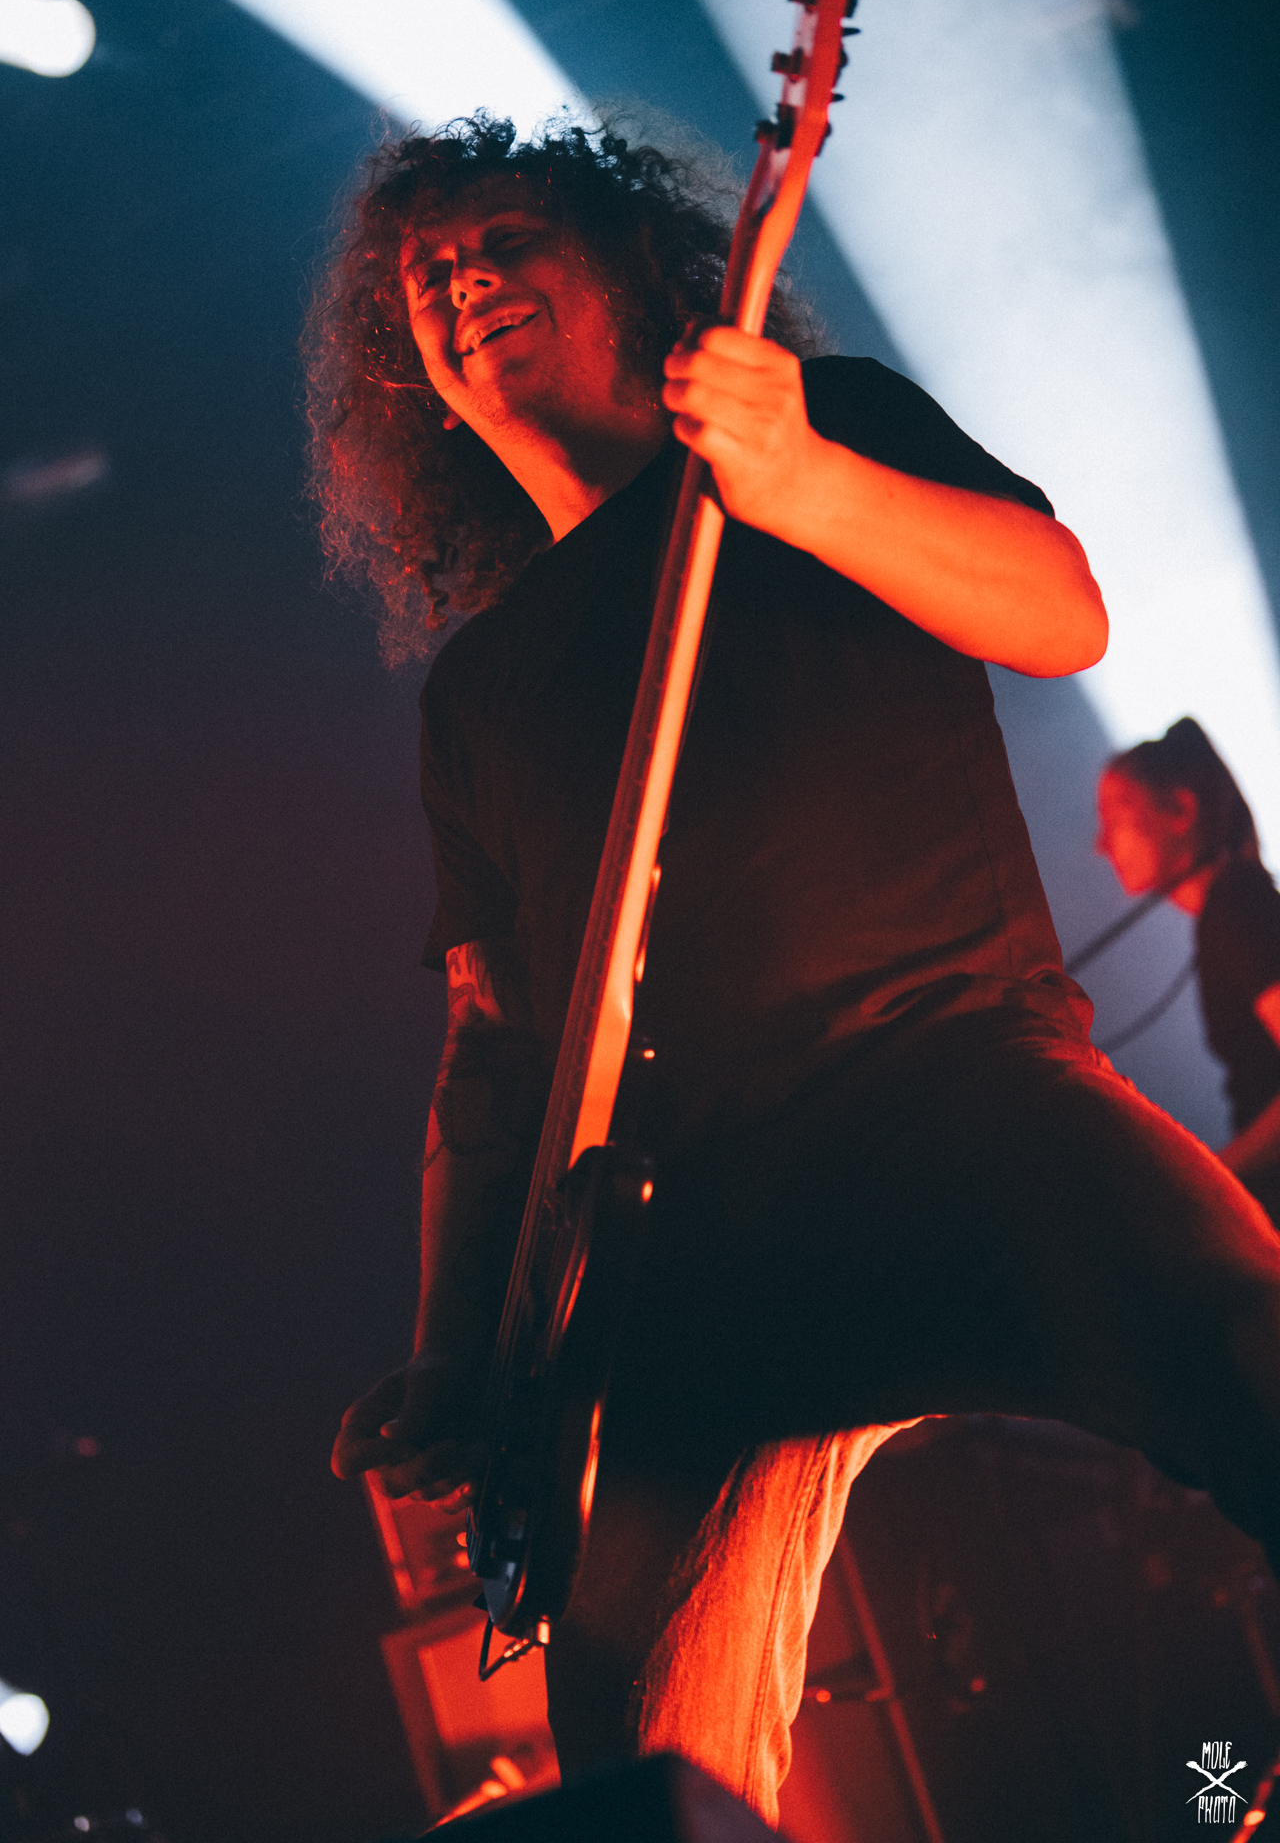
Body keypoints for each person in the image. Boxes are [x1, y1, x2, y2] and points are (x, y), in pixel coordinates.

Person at [309, 115, 1280, 1824]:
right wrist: (454, 1353)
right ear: (419, 382)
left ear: (632, 274)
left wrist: (802, 483)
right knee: (639, 1769)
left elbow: (1062, 613)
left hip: (969, 1093)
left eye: (509, 239)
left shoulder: (829, 425)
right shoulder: (478, 691)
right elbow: (495, 1051)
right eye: (428, 274)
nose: (465, 284)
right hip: (697, 1245)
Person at [1096, 717, 1280, 1219]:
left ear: (1180, 809)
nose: (1101, 844)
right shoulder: (1233, 903)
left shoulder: (1235, 904)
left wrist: (1211, 1178)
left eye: (1115, 818)